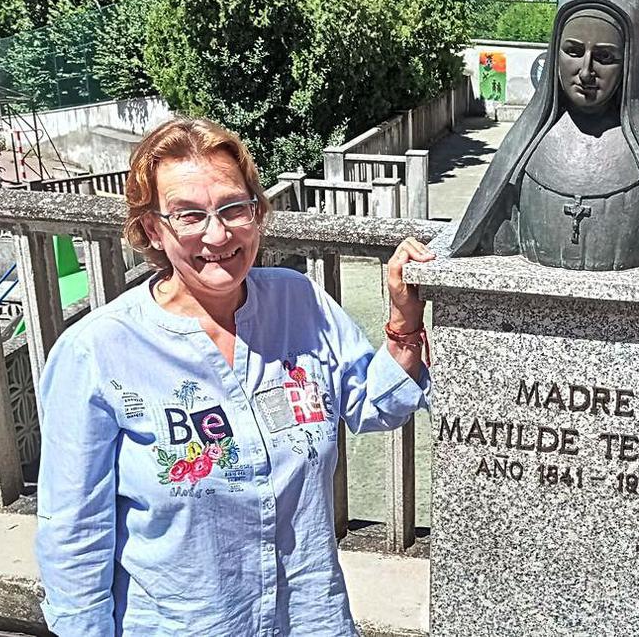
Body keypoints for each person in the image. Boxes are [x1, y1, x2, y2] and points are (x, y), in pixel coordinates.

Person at [35, 117, 434, 636]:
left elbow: (374, 404)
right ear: (153, 228)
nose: (217, 234)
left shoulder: (299, 301)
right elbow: (73, 536)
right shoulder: (96, 353)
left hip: (309, 620)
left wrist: (404, 319)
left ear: (257, 213)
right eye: (188, 215)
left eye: (232, 208)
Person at [450, 0, 639, 277]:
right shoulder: (523, 151)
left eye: (605, 57)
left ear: (629, 62)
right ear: (555, 54)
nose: (585, 71)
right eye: (573, 51)